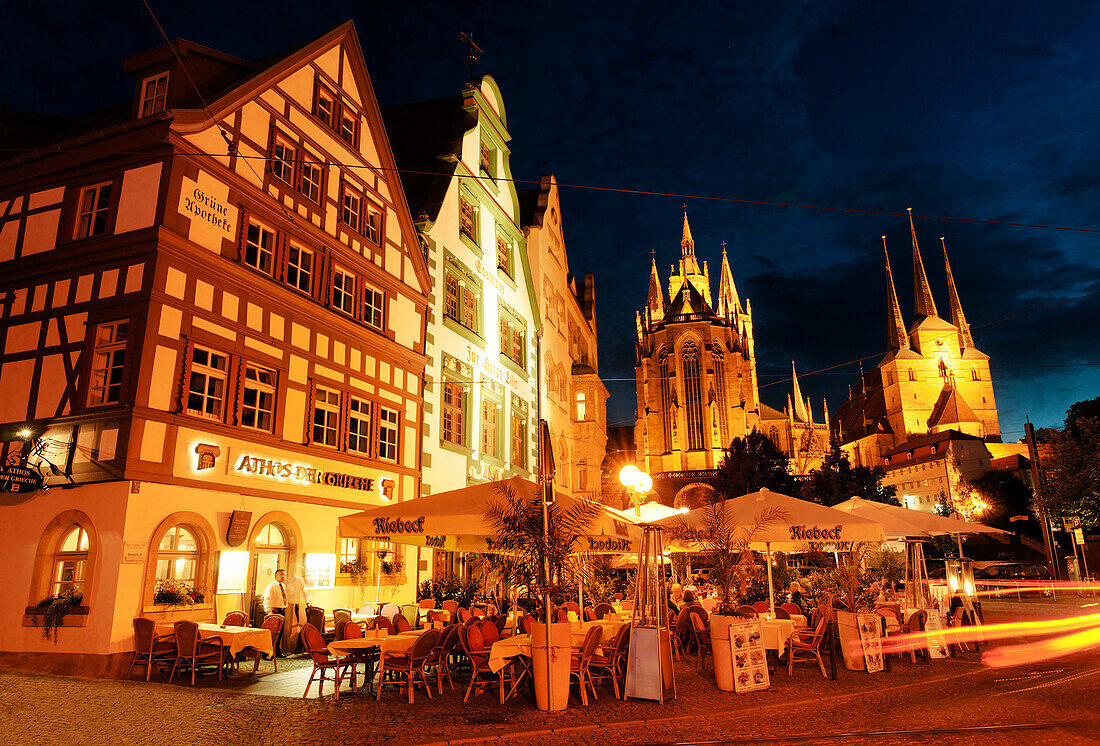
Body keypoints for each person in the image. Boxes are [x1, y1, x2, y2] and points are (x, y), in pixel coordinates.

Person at [262, 569, 290, 656]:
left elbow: (284, 598)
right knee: (272, 633)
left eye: (284, 575)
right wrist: (269, 612)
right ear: (277, 576)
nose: (284, 577)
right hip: (274, 611)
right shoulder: (271, 586)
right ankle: (267, 653)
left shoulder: (283, 586)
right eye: (282, 575)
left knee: (279, 632)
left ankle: (277, 651)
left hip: (282, 611)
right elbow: (267, 599)